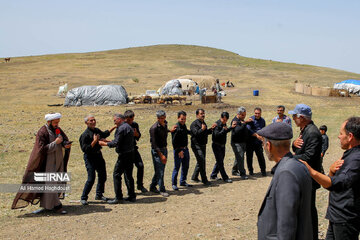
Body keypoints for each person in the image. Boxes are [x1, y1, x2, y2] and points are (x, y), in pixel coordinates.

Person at [300, 117, 360, 240]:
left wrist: (311, 171)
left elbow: (336, 184)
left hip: (346, 219)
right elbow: (330, 185)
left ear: (350, 137)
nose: (339, 137)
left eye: (341, 134)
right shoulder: (350, 154)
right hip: (337, 216)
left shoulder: (356, 159)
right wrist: (332, 172)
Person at [257, 122, 313, 240]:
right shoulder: (297, 165)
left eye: (263, 144)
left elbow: (287, 225)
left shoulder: (286, 173)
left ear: (269, 146)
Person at [12, 113, 71, 214]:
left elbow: (63, 139)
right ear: (49, 122)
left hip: (58, 160)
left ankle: (49, 205)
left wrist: (65, 144)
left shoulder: (57, 129)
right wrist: (55, 143)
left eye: (58, 122)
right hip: (48, 162)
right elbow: (41, 149)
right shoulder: (42, 131)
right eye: (55, 122)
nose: (57, 124)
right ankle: (57, 206)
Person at [289, 103, 322, 240]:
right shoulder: (305, 130)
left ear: (302, 117)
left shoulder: (313, 132)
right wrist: (293, 144)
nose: (293, 118)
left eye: (295, 116)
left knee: (308, 210)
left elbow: (309, 156)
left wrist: (290, 158)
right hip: (303, 175)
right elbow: (299, 149)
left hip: (309, 177)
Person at [79, 115, 116, 205]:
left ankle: (99, 194)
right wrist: (95, 141)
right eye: (91, 120)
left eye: (94, 120)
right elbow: (85, 149)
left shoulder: (96, 130)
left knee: (103, 175)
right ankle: (84, 197)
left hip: (98, 156)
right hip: (90, 158)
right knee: (91, 178)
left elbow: (105, 134)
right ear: (86, 123)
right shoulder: (85, 135)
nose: (93, 122)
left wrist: (114, 127)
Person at [99, 114, 136, 204]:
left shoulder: (121, 128)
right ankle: (132, 196)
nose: (114, 122)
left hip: (124, 155)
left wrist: (104, 144)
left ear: (119, 119)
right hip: (130, 153)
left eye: (115, 120)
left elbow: (116, 143)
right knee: (128, 175)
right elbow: (121, 141)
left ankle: (119, 197)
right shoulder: (128, 127)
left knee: (117, 174)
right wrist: (109, 141)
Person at [149, 110, 176, 197]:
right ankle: (162, 189)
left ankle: (153, 186)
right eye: (160, 118)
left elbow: (164, 130)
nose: (162, 120)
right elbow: (154, 144)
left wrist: (170, 130)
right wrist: (161, 155)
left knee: (160, 169)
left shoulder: (165, 124)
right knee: (160, 170)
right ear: (157, 118)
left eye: (163, 118)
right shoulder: (154, 128)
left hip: (164, 149)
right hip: (158, 151)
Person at [124, 110, 148, 193]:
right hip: (126, 151)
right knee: (128, 171)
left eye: (132, 119)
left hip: (134, 149)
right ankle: (130, 189)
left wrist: (136, 134)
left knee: (140, 166)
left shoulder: (134, 125)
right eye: (129, 120)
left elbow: (139, 135)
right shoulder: (123, 126)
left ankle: (140, 185)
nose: (131, 121)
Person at [190, 108, 215, 185]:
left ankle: (194, 177)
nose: (203, 115)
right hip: (196, 145)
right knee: (202, 161)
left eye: (203, 113)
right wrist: (202, 129)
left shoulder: (203, 123)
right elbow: (195, 133)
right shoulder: (194, 124)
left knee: (200, 161)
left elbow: (205, 133)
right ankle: (204, 180)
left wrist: (211, 129)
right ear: (197, 115)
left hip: (203, 145)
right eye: (201, 114)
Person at [210, 112, 236, 183]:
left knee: (219, 161)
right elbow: (216, 135)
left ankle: (213, 175)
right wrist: (223, 130)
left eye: (225, 120)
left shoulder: (224, 124)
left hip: (222, 146)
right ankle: (225, 178)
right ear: (221, 117)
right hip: (216, 145)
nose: (224, 121)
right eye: (223, 119)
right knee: (220, 162)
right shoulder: (217, 124)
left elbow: (225, 130)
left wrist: (231, 127)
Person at [171, 111, 192, 190]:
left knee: (185, 166)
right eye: (182, 119)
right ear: (178, 118)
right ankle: (174, 184)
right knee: (177, 167)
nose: (183, 121)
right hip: (179, 150)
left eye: (184, 119)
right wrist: (179, 151)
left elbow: (187, 132)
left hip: (185, 149)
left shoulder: (184, 126)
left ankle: (183, 181)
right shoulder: (176, 128)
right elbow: (174, 142)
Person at [231, 107, 251, 179]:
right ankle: (243, 173)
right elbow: (237, 131)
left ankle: (234, 170)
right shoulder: (235, 121)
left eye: (245, 115)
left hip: (243, 142)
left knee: (239, 156)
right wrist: (243, 124)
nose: (244, 117)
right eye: (242, 115)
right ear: (238, 114)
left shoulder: (241, 120)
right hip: (237, 143)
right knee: (240, 157)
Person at [246, 107, 267, 176]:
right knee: (249, 157)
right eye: (256, 113)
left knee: (260, 156)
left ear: (261, 113)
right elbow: (249, 130)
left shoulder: (263, 121)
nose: (257, 115)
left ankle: (263, 171)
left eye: (258, 113)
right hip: (250, 141)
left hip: (258, 142)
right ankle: (250, 171)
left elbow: (263, 130)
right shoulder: (250, 120)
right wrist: (256, 135)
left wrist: (263, 141)